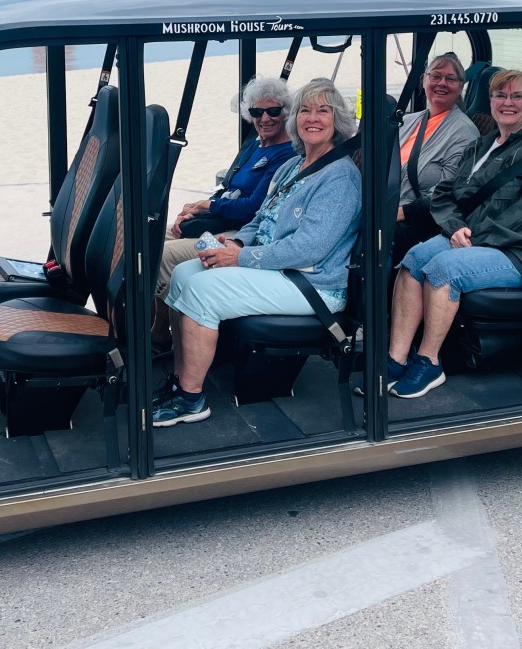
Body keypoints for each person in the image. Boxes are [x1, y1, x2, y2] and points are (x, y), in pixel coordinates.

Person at [152, 78, 361, 426]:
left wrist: (241, 258)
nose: (313, 118)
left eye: (323, 111)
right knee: (185, 272)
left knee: (203, 290)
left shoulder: (339, 178)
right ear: (295, 120)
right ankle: (180, 382)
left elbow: (309, 249)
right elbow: (260, 219)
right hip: (278, 270)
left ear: (336, 120)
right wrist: (235, 244)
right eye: (306, 110)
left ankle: (191, 398)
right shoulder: (291, 167)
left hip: (313, 284)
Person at [386, 68, 522, 400]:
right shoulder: (482, 145)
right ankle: (396, 359)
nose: (508, 102)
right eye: (500, 95)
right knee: (413, 259)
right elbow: (444, 195)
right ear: (490, 101)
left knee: (444, 268)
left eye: (517, 96)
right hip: (470, 238)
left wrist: (471, 237)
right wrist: (456, 229)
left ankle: (428, 362)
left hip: (520, 252)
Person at [151, 76, 295, 345]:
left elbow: (253, 207)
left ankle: (163, 334)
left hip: (240, 230)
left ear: (285, 111)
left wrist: (208, 205)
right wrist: (195, 209)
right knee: (152, 239)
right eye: (256, 112)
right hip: (221, 219)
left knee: (165, 255)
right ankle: (153, 325)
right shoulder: (256, 144)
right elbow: (228, 187)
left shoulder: (286, 154)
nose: (265, 118)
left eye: (273, 111)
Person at [394, 52, 479, 259]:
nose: (442, 83)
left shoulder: (464, 133)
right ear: (424, 80)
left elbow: (445, 193)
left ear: (460, 86)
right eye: (436, 76)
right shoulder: (407, 121)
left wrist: (398, 213)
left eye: (450, 79)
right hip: (386, 211)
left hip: (416, 223)